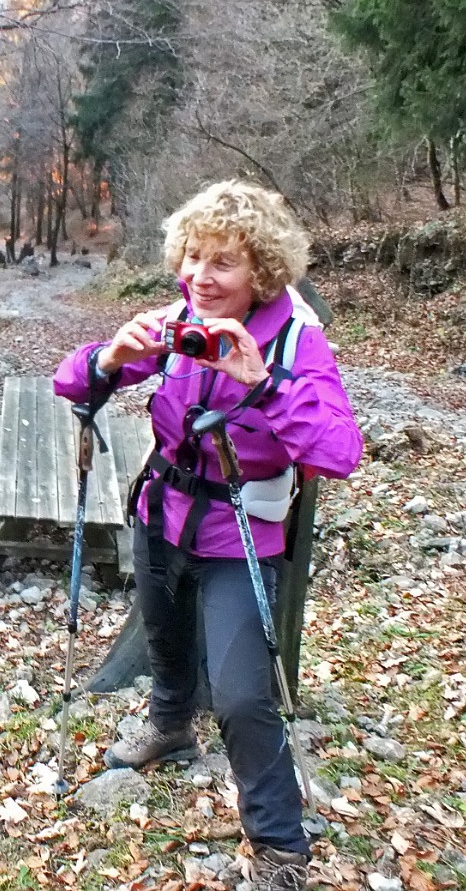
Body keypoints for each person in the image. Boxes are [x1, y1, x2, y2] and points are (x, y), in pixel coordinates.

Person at [53, 180, 363, 891]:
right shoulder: (176, 322)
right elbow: (72, 386)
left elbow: (339, 452)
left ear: (263, 271)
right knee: (164, 636)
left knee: (244, 695)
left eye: (222, 262)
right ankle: (169, 726)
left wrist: (261, 386)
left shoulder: (294, 339)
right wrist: (107, 359)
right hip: (163, 513)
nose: (199, 276)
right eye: (192, 257)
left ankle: (282, 850)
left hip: (241, 534)